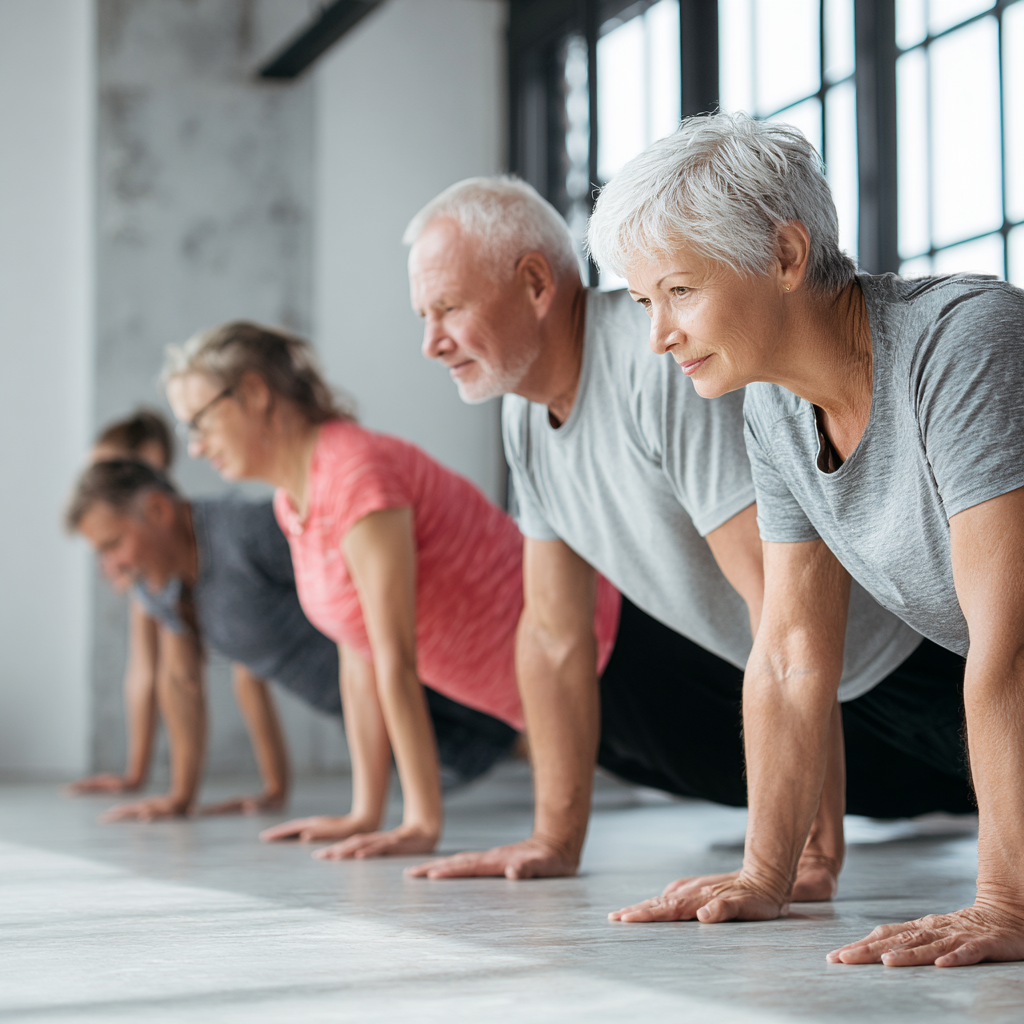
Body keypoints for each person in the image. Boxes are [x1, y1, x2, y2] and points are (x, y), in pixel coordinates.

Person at [402, 176, 976, 898]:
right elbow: (554, 636)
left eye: (448, 309)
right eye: (425, 316)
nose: (431, 342)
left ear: (535, 282)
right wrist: (553, 838)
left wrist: (806, 858)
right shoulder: (524, 416)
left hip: (914, 661)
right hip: (823, 705)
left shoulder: (660, 370)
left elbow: (784, 615)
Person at [586, 111, 1024, 967]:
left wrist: (1006, 899)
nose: (658, 334)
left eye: (680, 290)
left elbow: (1008, 646)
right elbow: (790, 651)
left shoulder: (964, 342)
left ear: (786, 256)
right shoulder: (777, 408)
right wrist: (764, 873)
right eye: (644, 302)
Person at [162, 321, 619, 859]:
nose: (194, 447)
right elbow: (358, 657)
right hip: (551, 705)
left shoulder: (353, 471)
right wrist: (365, 811)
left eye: (200, 422)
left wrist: (421, 822)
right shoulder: (295, 500)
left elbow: (394, 658)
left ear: (256, 393)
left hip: (610, 660)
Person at [68, 458, 518, 822]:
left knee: (526, 725)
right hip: (356, 709)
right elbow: (187, 682)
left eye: (112, 545)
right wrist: (182, 797)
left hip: (416, 669)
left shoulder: (245, 532)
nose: (110, 566)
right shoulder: (158, 587)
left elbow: (361, 582)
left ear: (158, 511)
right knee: (488, 754)